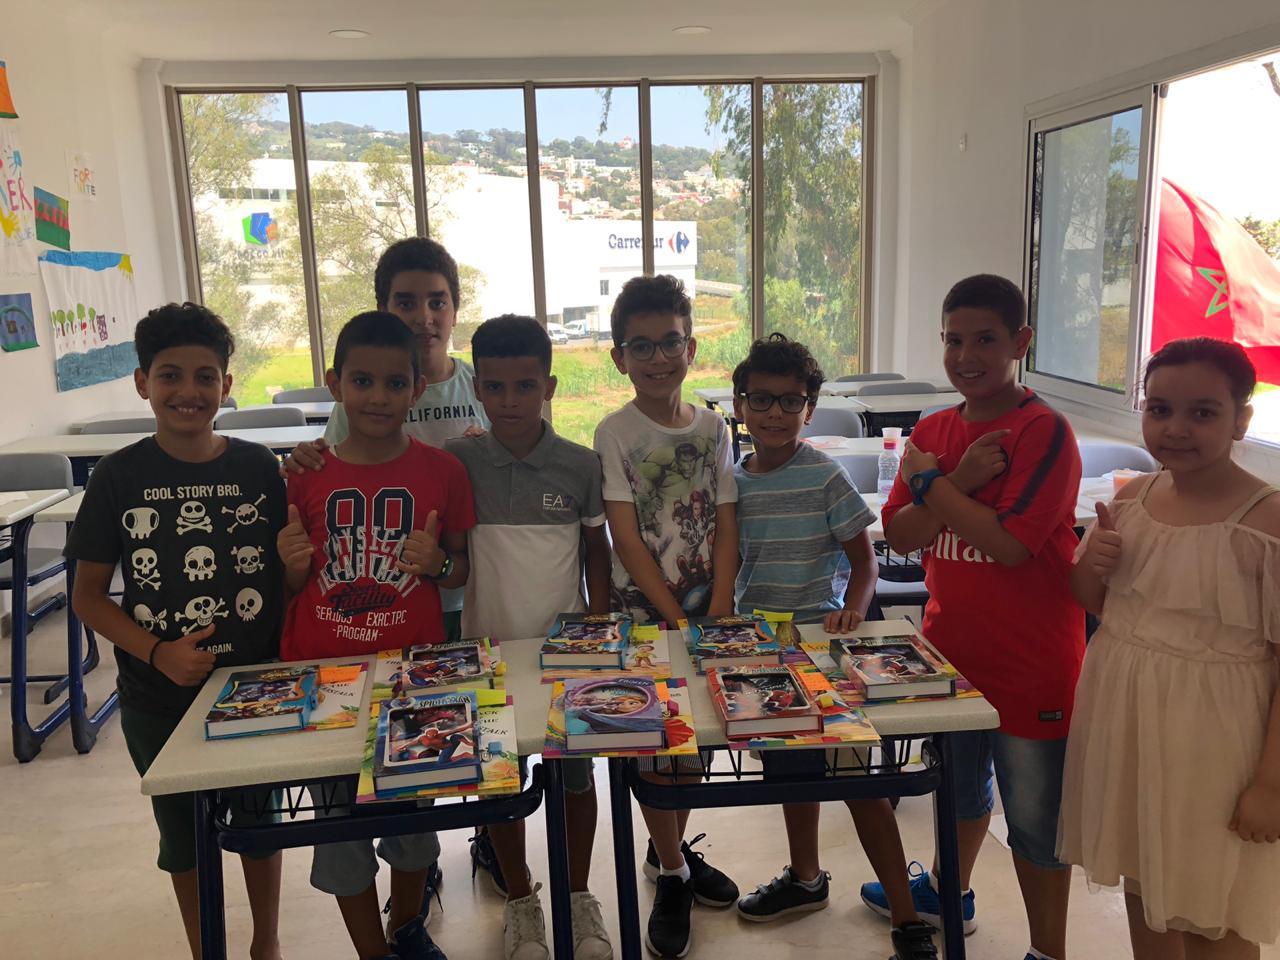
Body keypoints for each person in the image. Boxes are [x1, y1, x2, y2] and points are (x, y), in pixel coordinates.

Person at [863, 274, 1084, 960]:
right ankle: (947, 894)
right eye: (953, 340)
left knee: (1036, 825)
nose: (966, 357)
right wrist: (955, 482)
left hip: (1033, 663)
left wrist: (930, 483)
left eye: (985, 340)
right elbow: (901, 536)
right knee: (957, 793)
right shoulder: (935, 431)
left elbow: (1011, 545)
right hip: (949, 655)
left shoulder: (1042, 431)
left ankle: (1048, 951)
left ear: (1020, 341)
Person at [66, 302, 285, 960]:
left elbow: (285, 574)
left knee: (260, 824)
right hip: (157, 695)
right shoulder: (117, 476)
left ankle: (267, 945)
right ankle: (205, 950)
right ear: (143, 383)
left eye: (205, 376)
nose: (188, 391)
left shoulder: (259, 467)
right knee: (183, 839)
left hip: (255, 688)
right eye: (170, 375)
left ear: (226, 384)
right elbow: (87, 596)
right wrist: (158, 652)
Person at [1061, 337, 1280, 959]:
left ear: (1241, 418)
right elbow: (1093, 603)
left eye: (1203, 412)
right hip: (1126, 717)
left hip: (1216, 737)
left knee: (1213, 901)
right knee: (1144, 878)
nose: (1176, 429)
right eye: (1159, 410)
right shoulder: (1132, 499)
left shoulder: (1267, 521)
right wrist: (1093, 566)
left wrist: (1271, 783)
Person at [728, 333, 938, 960]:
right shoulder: (734, 483)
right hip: (762, 650)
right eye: (761, 399)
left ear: (810, 409)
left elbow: (865, 560)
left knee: (858, 782)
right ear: (740, 406)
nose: (775, 413)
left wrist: (854, 606)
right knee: (791, 776)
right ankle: (805, 878)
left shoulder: (825, 476)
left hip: (822, 648)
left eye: (790, 401)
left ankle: (906, 915)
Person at [277, 310, 475, 960]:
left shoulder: (443, 471)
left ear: (418, 388)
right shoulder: (303, 473)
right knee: (340, 835)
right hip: (324, 678)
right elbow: (286, 587)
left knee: (413, 829)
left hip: (411, 675)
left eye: (395, 383)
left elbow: (460, 570)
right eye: (362, 381)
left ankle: (405, 931)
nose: (378, 397)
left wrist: (437, 564)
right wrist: (290, 568)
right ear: (335, 383)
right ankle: (373, 952)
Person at [442, 315, 613, 960]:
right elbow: (454, 556)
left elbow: (595, 549)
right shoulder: (459, 461)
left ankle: (577, 893)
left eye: (525, 386)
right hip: (486, 653)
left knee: (575, 779)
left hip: (565, 655)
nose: (509, 400)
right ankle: (520, 899)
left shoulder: (580, 465)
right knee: (498, 781)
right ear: (477, 389)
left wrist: (596, 622)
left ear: (550, 386)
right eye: (494, 386)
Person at [593, 274, 740, 959]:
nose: (659, 357)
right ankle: (674, 871)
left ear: (692, 347)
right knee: (657, 744)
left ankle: (668, 850)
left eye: (671, 342)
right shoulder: (615, 432)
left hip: (707, 611)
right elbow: (625, 539)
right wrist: (675, 617)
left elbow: (727, 522)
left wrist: (719, 606)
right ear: (619, 357)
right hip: (643, 616)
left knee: (697, 740)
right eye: (642, 346)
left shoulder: (713, 428)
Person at [285, 237, 487, 643]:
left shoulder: (483, 387)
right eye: (406, 303)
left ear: (455, 309)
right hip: (365, 602)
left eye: (437, 302)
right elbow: (330, 471)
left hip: (459, 594)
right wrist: (302, 459)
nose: (424, 317)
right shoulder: (352, 409)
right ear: (384, 309)